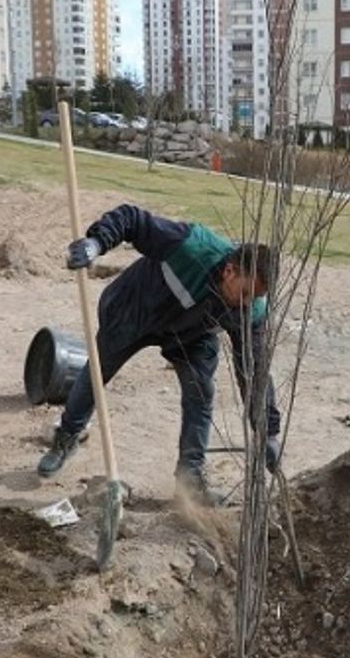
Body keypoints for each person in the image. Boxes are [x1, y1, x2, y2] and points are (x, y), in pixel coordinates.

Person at [37, 203, 283, 505]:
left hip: (192, 334)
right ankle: (66, 438)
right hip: (136, 310)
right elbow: (132, 219)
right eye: (245, 293)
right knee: (97, 373)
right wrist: (96, 243)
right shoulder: (190, 246)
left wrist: (268, 431)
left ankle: (189, 482)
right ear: (229, 270)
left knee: (200, 395)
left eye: (255, 297)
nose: (247, 303)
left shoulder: (251, 310)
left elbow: (254, 370)